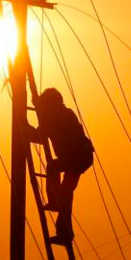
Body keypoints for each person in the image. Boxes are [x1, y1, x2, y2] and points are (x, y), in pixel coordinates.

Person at [29, 88, 94, 244]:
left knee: (53, 169)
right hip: (81, 157)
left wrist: (25, 126)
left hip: (76, 157)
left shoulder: (54, 116)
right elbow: (43, 133)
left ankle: (55, 203)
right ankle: (65, 232)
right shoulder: (63, 113)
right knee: (66, 193)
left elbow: (39, 136)